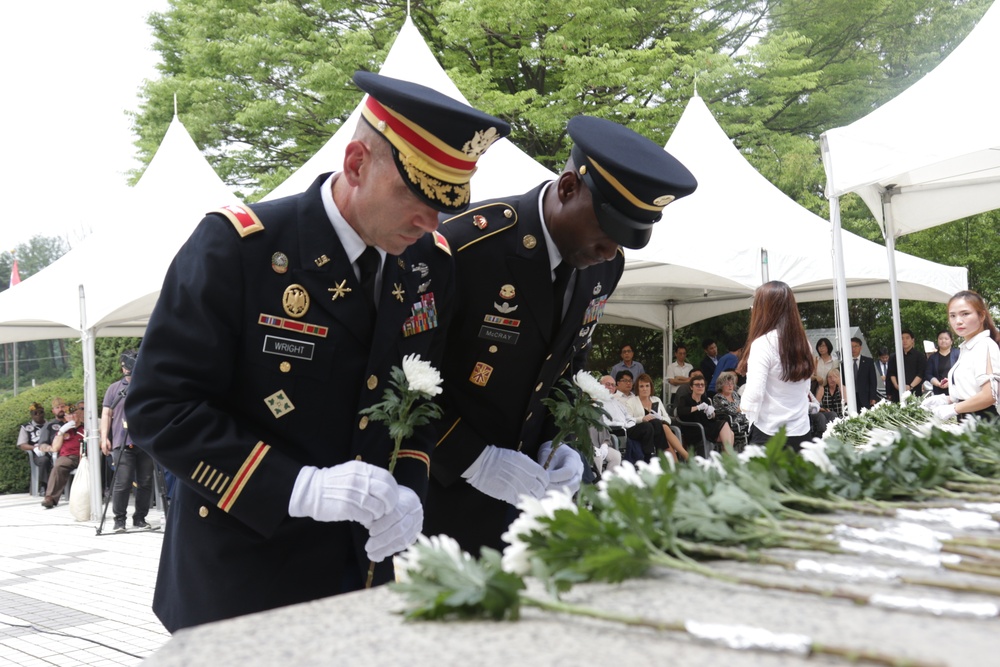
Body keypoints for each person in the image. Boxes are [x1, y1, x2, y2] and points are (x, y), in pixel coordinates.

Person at [123, 72, 511, 633]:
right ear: (356, 164)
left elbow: (418, 398)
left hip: (359, 570)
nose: (431, 221)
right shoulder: (240, 249)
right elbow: (161, 408)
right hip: (244, 576)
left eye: (446, 203)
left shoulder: (431, 265)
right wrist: (297, 486)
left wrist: (408, 490)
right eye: (416, 196)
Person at [424, 115, 697, 555]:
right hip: (445, 487)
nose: (610, 250)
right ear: (568, 187)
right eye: (606, 231)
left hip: (536, 487)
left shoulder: (604, 266)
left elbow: (568, 367)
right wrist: (473, 459)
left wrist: (561, 440)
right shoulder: (469, 246)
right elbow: (407, 374)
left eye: (624, 240)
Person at [737, 281, 814, 451]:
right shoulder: (804, 344)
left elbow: (755, 393)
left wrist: (743, 407)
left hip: (769, 432)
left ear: (763, 309)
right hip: (801, 431)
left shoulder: (763, 344)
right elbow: (806, 388)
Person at [923, 290, 1000, 421]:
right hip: (967, 421)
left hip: (984, 422)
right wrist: (946, 399)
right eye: (952, 316)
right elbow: (970, 392)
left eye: (965, 314)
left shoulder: (984, 345)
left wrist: (954, 408)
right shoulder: (966, 348)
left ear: (981, 316)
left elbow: (989, 395)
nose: (958, 321)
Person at [102, 350, 155, 533]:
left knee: (145, 481)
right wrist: (104, 438)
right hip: (121, 441)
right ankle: (119, 520)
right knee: (122, 482)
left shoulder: (147, 385)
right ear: (122, 366)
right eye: (125, 365)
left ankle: (140, 518)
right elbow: (106, 414)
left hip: (145, 442)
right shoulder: (114, 389)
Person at [635, 373, 688, 461]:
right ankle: (685, 456)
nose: (645, 389)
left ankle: (677, 465)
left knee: (663, 429)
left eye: (647, 386)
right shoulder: (632, 401)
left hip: (660, 432)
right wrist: (642, 419)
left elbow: (668, 420)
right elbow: (628, 420)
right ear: (637, 388)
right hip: (645, 432)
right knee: (663, 428)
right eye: (641, 386)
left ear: (651, 387)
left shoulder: (656, 400)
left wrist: (659, 417)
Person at [41, 403, 83, 508]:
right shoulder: (63, 429)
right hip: (68, 457)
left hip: (84, 455)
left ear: (79, 414)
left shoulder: (85, 427)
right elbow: (55, 448)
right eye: (69, 415)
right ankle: (50, 498)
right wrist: (61, 432)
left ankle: (97, 494)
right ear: (65, 417)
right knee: (59, 465)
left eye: (74, 414)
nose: (72, 417)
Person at [677, 376, 733, 450]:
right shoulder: (685, 398)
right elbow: (681, 412)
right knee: (728, 432)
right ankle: (728, 459)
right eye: (697, 385)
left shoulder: (705, 399)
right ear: (691, 387)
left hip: (707, 427)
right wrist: (698, 407)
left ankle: (727, 458)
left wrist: (711, 414)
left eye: (702, 385)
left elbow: (712, 418)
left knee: (730, 433)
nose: (700, 387)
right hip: (694, 429)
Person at [17, 402, 53, 493]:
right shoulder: (26, 427)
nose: (38, 415)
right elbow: (22, 444)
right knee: (44, 460)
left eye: (41, 412)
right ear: (31, 415)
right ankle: (44, 486)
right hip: (39, 454)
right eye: (35, 413)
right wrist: (34, 448)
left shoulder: (51, 425)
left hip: (53, 451)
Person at [887, 329, 926, 401]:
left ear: (912, 340)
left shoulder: (920, 356)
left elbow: (921, 374)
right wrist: (896, 386)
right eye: (902, 338)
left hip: (914, 391)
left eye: (907, 338)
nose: (904, 341)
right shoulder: (894, 356)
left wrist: (910, 386)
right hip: (897, 392)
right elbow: (891, 373)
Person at [712, 371, 749, 447]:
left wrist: (742, 407)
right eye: (727, 384)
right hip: (731, 424)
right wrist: (743, 407)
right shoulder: (718, 397)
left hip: (744, 421)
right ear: (720, 385)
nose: (730, 386)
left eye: (732, 383)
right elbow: (732, 411)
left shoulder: (735, 394)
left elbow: (745, 405)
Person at [926, 330, 960, 396]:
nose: (943, 341)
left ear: (951, 341)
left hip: (957, 391)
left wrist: (950, 382)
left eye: (946, 339)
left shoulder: (958, 354)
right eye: (940, 338)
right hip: (938, 391)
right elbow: (928, 374)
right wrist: (938, 383)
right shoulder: (933, 357)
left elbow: (963, 372)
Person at [850, 337, 879, 410]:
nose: (853, 349)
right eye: (851, 347)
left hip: (865, 397)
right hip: (850, 396)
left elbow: (873, 380)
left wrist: (873, 397)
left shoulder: (868, 361)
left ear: (860, 347)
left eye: (855, 346)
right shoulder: (845, 363)